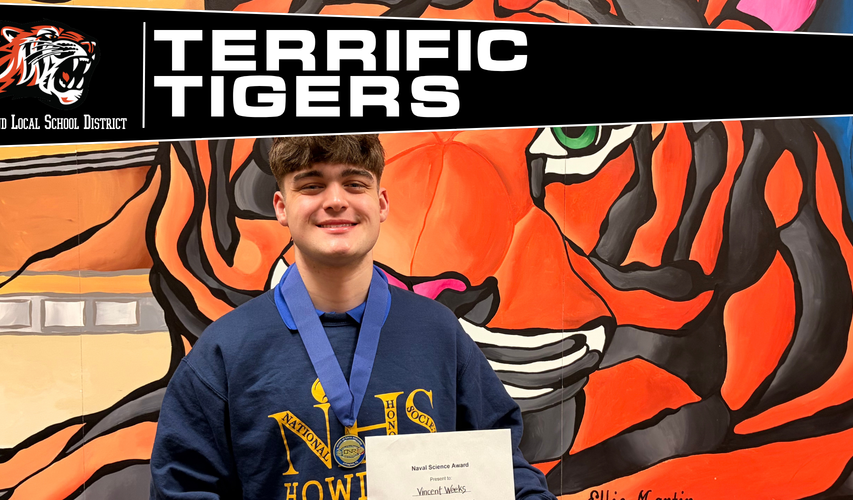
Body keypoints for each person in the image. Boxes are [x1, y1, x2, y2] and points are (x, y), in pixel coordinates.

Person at [149, 134, 556, 500]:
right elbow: (182, 487)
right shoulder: (225, 350)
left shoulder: (437, 332)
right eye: (311, 185)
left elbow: (502, 464)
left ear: (381, 204)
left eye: (355, 184)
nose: (335, 200)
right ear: (281, 208)